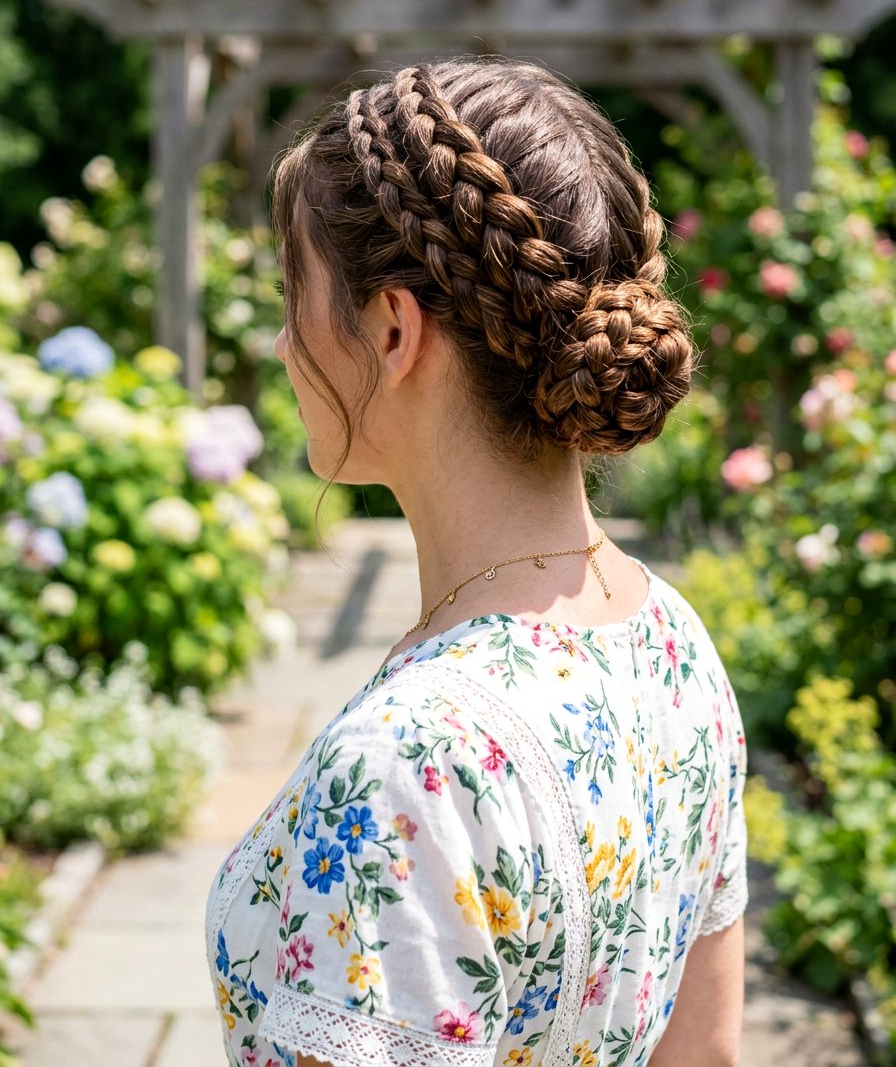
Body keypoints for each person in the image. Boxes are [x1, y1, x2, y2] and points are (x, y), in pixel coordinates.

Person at [205, 57, 748, 1067]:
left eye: (296, 291)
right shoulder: (670, 642)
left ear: (394, 326)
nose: (284, 343)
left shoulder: (402, 767)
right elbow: (704, 1051)